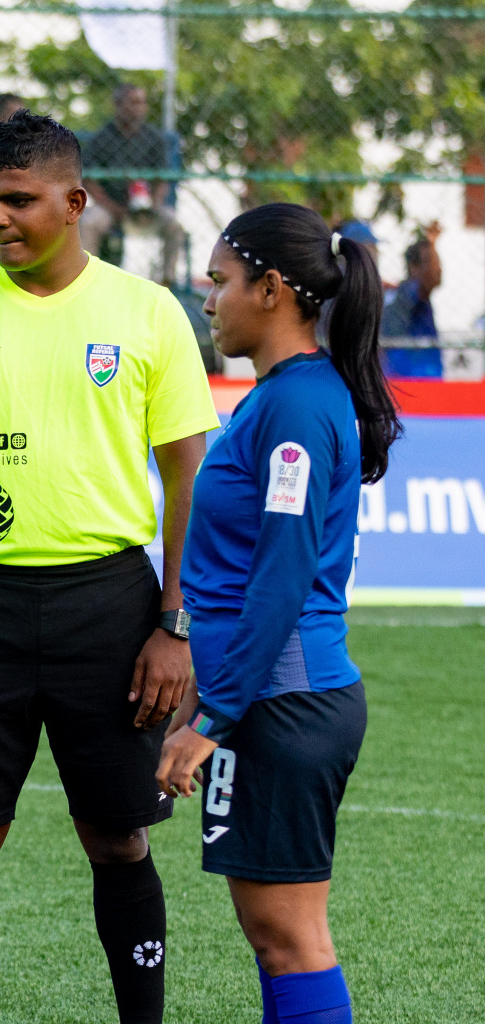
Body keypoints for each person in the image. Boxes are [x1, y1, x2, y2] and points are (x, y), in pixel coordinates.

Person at [0, 110, 220, 1024]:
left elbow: (192, 478)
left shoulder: (146, 314)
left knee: (118, 836)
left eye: (18, 201)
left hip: (110, 604)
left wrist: (174, 624)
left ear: (75, 202)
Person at [158, 204, 401, 1024]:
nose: (208, 296)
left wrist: (216, 715)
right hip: (267, 698)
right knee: (272, 933)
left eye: (220, 280)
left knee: (289, 937)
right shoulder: (282, 395)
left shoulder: (298, 403)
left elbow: (284, 572)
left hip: (283, 703)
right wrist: (208, 697)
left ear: (270, 289)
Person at [80, 85, 184, 287]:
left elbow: (162, 179)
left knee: (174, 225)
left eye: (142, 102)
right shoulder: (103, 137)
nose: (139, 108)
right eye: (134, 102)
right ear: (119, 105)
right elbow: (89, 179)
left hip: (146, 205)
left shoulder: (153, 137)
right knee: (88, 223)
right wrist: (111, 207)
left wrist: (153, 204)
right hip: (110, 206)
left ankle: (166, 283)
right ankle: (87, 281)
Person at [380, 223, 443, 377]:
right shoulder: (411, 291)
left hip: (408, 375)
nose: (438, 268)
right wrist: (432, 242)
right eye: (429, 262)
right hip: (415, 378)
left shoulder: (403, 292)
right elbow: (430, 280)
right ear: (413, 267)